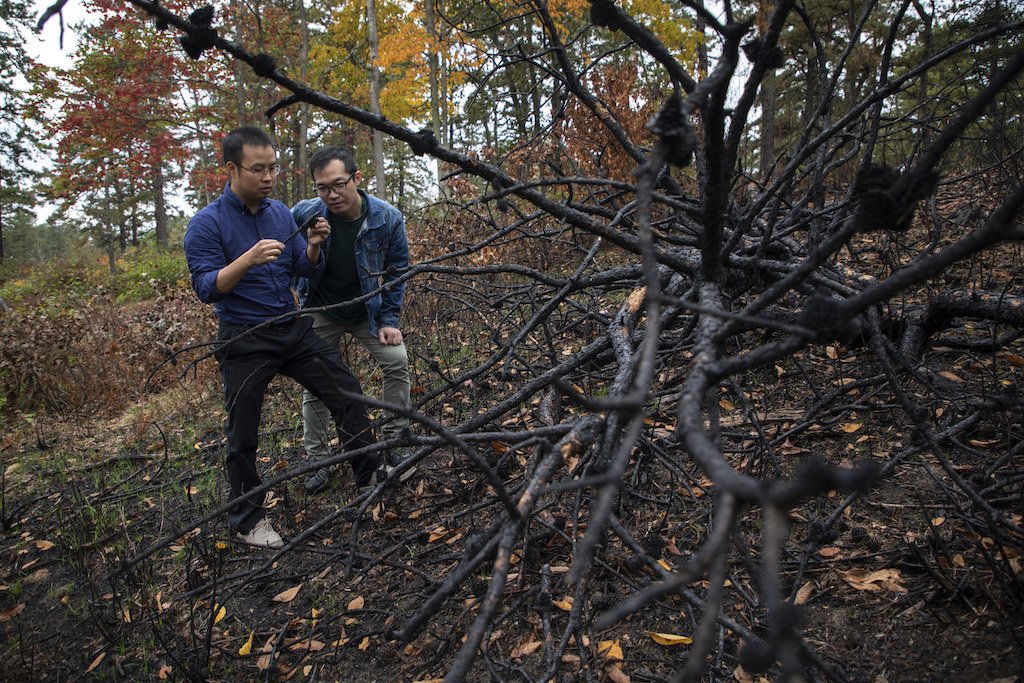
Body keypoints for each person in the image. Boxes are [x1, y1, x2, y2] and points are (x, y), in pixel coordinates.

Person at [184, 127, 380, 548]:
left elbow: (305, 271)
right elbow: (206, 288)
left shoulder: (279, 213)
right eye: (259, 169)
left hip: (292, 327)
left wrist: (312, 246)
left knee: (347, 391)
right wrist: (247, 259)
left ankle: (369, 481)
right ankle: (249, 519)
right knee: (243, 431)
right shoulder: (207, 223)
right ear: (233, 169)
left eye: (273, 167)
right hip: (245, 336)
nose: (269, 176)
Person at [291, 147, 414, 494]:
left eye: (338, 184)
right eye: (322, 187)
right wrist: (289, 290)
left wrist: (389, 318)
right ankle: (318, 459)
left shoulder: (386, 218)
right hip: (319, 309)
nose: (331, 195)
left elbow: (396, 272)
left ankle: (395, 438)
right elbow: (286, 254)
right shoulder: (304, 213)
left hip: (367, 310)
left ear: (357, 179)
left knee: (396, 360)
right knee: (315, 383)